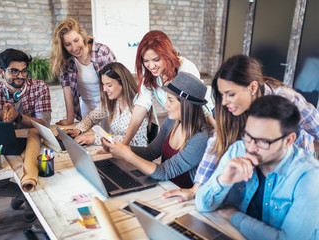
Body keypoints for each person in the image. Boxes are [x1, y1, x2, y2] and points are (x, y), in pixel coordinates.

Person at [163, 54, 319, 202]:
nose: (224, 102)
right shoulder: (230, 106)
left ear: (252, 87)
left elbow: (316, 126)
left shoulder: (286, 98)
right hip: (263, 165)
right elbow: (218, 142)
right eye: (222, 94)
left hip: (295, 165)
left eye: (230, 94)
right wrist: (196, 188)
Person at [196, 95, 319, 240]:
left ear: (288, 140)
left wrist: (234, 216)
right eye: (248, 135)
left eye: (262, 141)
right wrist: (223, 180)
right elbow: (202, 205)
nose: (251, 147)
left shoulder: (309, 176)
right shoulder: (239, 150)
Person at [0, 48, 52, 222]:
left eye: (24, 70)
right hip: (2, 144)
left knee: (41, 171)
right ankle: (26, 196)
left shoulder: (39, 87)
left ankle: (30, 200)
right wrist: (0, 115)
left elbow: (44, 123)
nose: (20, 75)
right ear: (1, 72)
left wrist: (18, 117)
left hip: (32, 142)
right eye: (14, 71)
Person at [102, 72, 213, 188]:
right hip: (164, 187)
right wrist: (120, 148)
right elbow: (151, 152)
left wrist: (128, 155)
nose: (166, 104)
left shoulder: (202, 138)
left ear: (186, 105)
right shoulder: (172, 122)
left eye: (170, 100)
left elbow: (164, 171)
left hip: (182, 198)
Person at [121, 30, 215, 145]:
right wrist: (124, 143)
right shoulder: (150, 72)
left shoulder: (185, 68)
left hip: (204, 115)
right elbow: (141, 105)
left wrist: (216, 130)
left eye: (156, 60)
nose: (151, 66)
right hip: (180, 118)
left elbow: (198, 105)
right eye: (146, 61)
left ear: (167, 55)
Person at [51, 18, 116, 125]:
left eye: (76, 40)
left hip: (108, 105)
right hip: (86, 106)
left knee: (107, 138)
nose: (74, 48)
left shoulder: (102, 52)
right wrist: (69, 120)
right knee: (88, 139)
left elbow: (116, 85)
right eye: (68, 44)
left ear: (82, 36)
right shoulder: (66, 62)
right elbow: (67, 92)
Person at [66, 62, 148, 146]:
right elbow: (91, 118)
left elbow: (134, 141)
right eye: (103, 85)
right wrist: (78, 130)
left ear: (123, 83)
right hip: (117, 152)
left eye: (109, 85)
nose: (105, 89)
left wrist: (95, 138)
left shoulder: (140, 106)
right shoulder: (111, 102)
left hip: (135, 154)